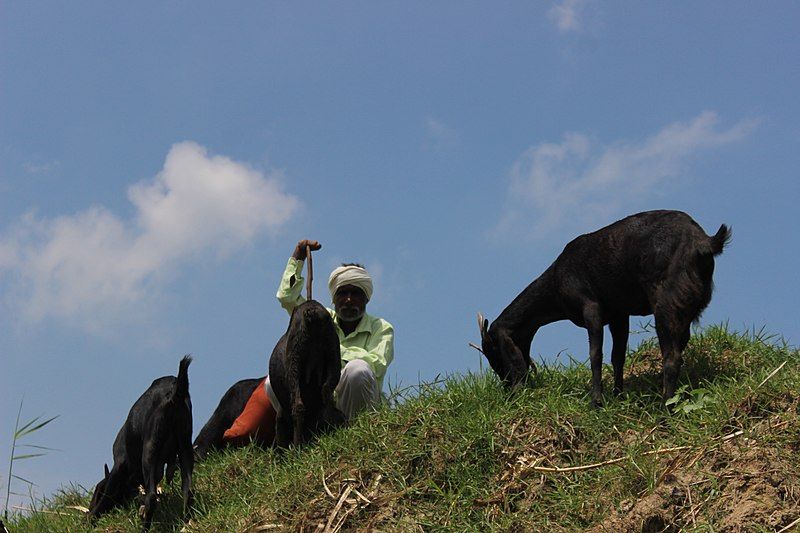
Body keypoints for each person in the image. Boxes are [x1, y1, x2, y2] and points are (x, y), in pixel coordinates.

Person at [222, 239, 394, 445]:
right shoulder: (319, 319)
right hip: (318, 401)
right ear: (334, 298)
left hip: (355, 403)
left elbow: (376, 365)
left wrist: (326, 352)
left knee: (358, 370)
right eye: (343, 293)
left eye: (356, 293)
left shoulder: (381, 328)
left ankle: (356, 439)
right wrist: (297, 259)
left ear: (366, 298)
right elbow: (287, 297)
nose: (349, 300)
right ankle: (299, 434)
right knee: (272, 383)